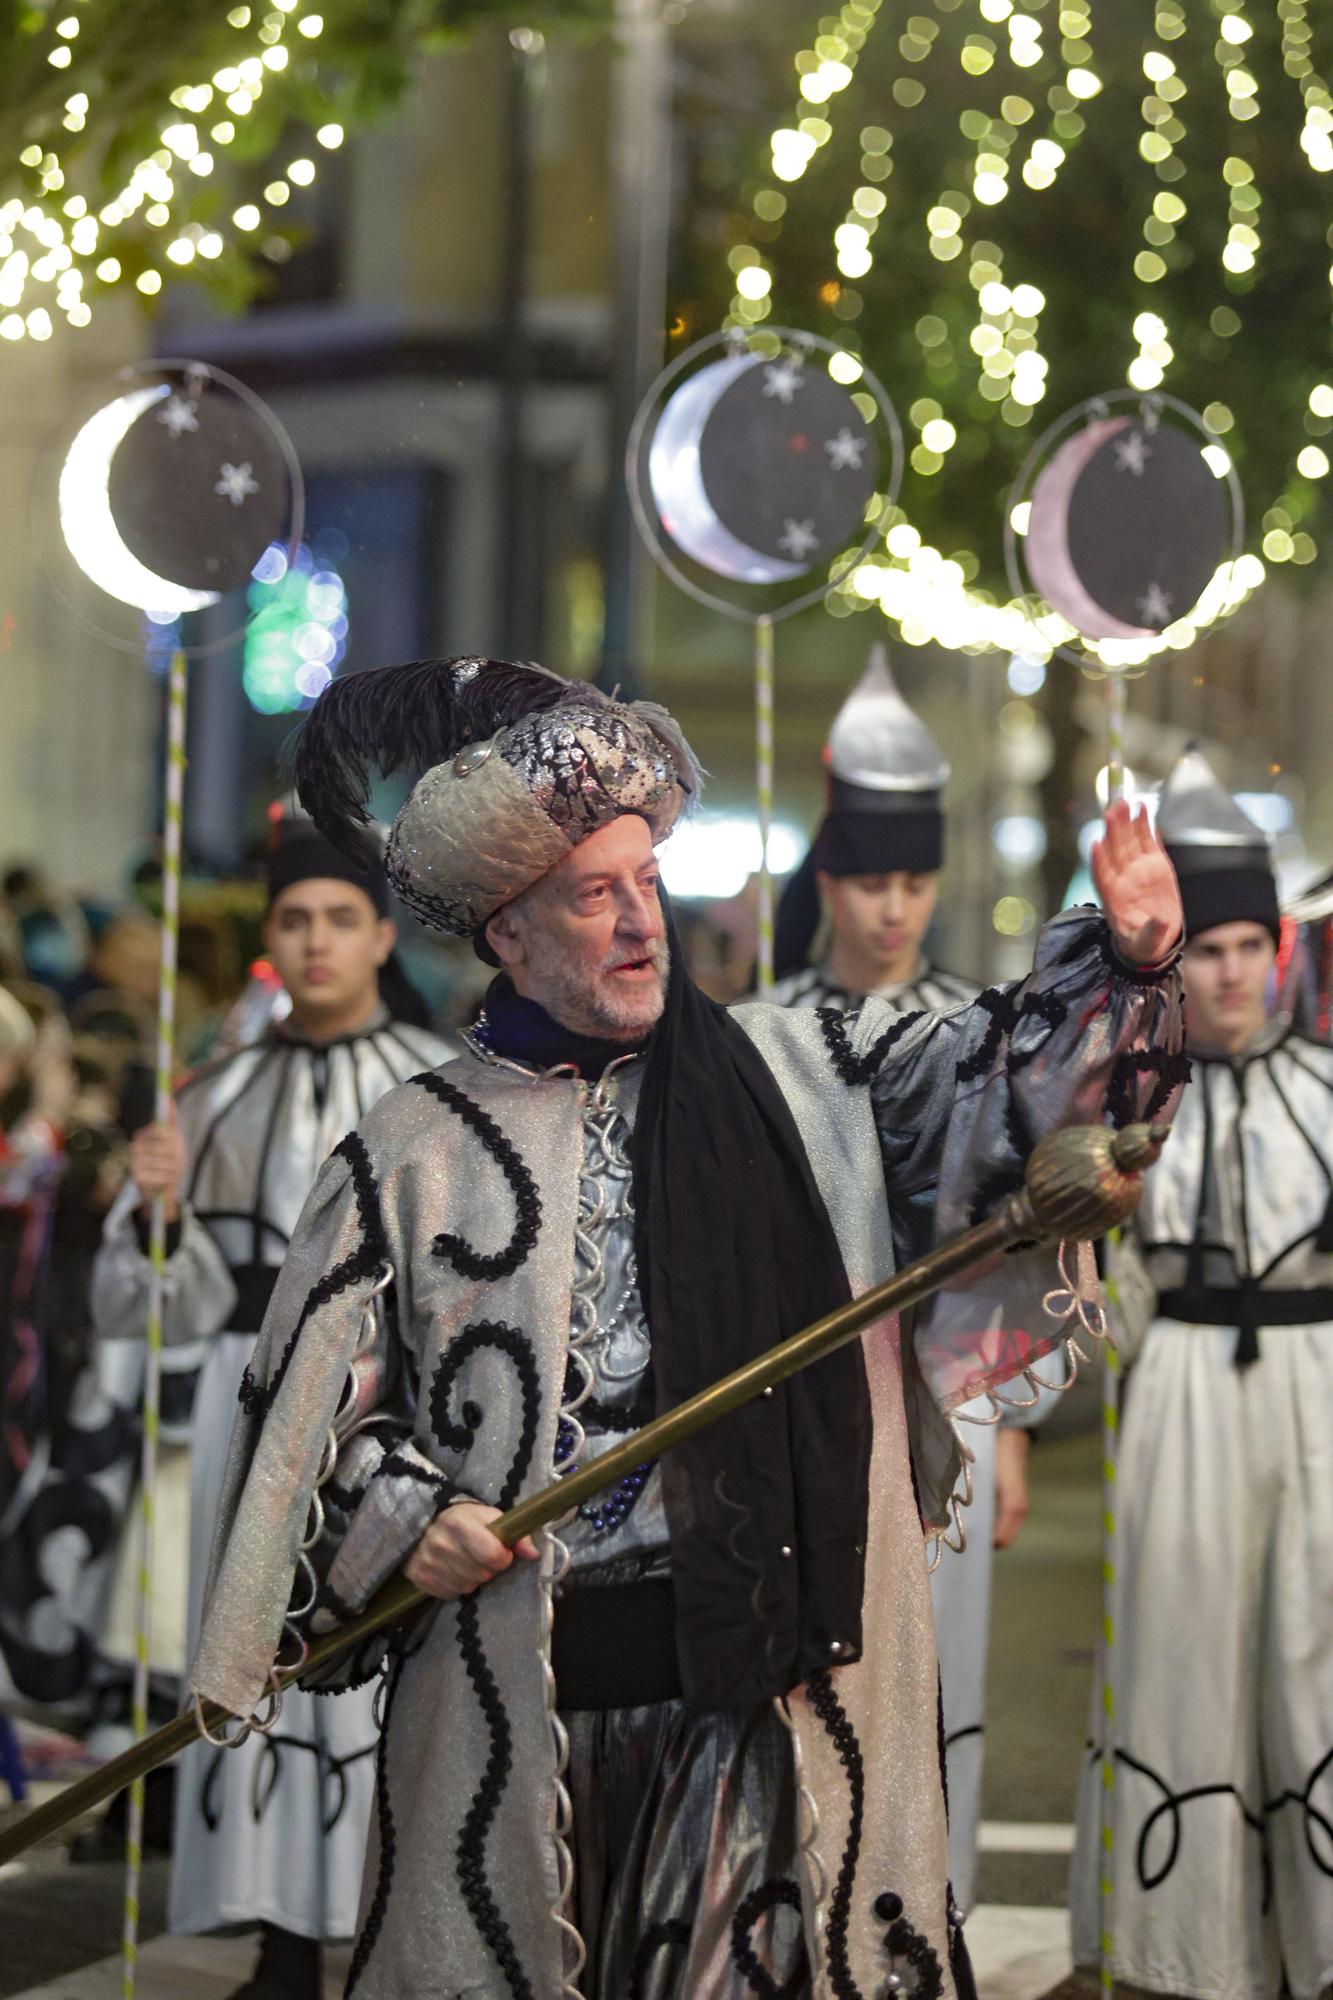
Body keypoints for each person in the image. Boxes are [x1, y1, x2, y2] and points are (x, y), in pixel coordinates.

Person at [192, 657, 1185, 2000]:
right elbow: (307, 1427)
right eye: (592, 895)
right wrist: (409, 1517)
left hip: (760, 1701)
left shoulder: (809, 1072)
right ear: (508, 933)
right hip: (514, 1714)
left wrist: (1126, 964)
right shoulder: (412, 1147)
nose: (638, 923)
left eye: (647, 882)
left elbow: (1003, 1087)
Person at [89, 815, 455, 2000]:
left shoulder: (436, 1082)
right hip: (244, 1401)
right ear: (270, 935)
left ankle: (388, 1919)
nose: (316, 941)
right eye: (295, 919)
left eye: (340, 918)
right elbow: (158, 1304)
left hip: (385, 1403)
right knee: (257, 1642)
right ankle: (281, 1936)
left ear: (381, 934)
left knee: (375, 1655)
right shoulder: (212, 1089)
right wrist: (156, 1215)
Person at [771, 647, 1047, 1915]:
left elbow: (1013, 1239)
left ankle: (933, 1917)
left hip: (949, 1388)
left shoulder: (981, 1033)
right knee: (815, 1672)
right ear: (828, 880)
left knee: (945, 1659)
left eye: (913, 882)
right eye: (869, 880)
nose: (893, 907)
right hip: (804, 1396)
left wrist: (1011, 1424)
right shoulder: (759, 1034)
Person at [1070, 747, 1333, 2000]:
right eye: (1205, 949)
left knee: (1315, 1650)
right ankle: (1186, 1952)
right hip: (1178, 1386)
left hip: (1318, 1390)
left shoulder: (1327, 1089)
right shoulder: (1125, 1100)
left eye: (1245, 947)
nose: (1227, 973)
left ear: (1275, 948)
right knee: (1179, 1648)